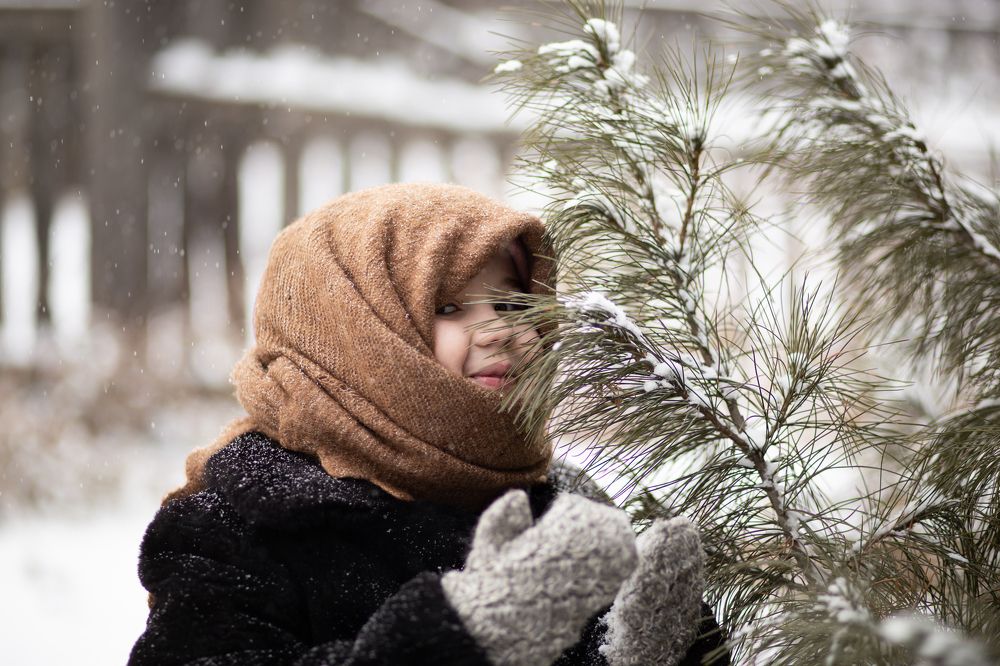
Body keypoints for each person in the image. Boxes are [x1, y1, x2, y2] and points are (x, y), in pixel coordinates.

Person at [128, 182, 729, 666]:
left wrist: (639, 656)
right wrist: (458, 636)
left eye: (512, 303)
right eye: (448, 306)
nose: (499, 330)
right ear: (356, 333)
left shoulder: (563, 505)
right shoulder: (245, 522)